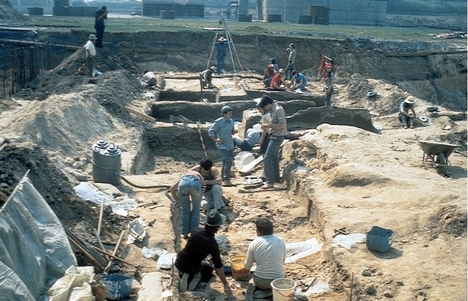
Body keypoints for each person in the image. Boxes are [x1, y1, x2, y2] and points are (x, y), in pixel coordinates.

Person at [175, 209, 233, 294]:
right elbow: (218, 267)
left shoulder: (195, 231)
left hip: (180, 262)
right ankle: (195, 276)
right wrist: (225, 284)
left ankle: (184, 274)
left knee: (191, 261)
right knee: (208, 269)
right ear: (217, 228)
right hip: (193, 267)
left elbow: (195, 248)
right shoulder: (212, 244)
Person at [243, 218, 286, 299]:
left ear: (258, 231)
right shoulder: (280, 240)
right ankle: (271, 292)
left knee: (251, 281)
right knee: (284, 277)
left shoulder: (254, 243)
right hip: (278, 280)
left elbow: (247, 266)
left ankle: (250, 295)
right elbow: (282, 261)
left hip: (261, 281)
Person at [258, 95, 288, 189]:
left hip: (277, 136)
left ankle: (269, 182)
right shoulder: (272, 109)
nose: (265, 109)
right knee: (274, 158)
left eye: (265, 106)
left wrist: (268, 126)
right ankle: (276, 178)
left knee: (267, 158)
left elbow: (281, 125)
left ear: (268, 104)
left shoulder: (278, 110)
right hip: (273, 135)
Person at [169, 170, 204, 239]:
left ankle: (185, 233)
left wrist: (178, 201)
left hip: (183, 185)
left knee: (185, 210)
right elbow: (202, 191)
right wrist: (198, 202)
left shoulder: (183, 176)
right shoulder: (200, 177)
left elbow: (172, 189)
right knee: (196, 210)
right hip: (195, 185)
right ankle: (194, 233)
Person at [208, 106, 235, 187]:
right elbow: (211, 131)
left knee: (225, 161)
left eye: (231, 113)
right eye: (229, 113)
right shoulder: (219, 122)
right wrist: (216, 139)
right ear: (224, 114)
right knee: (229, 160)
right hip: (222, 145)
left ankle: (222, 178)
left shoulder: (231, 121)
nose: (230, 115)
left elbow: (232, 131)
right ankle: (226, 179)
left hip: (230, 144)